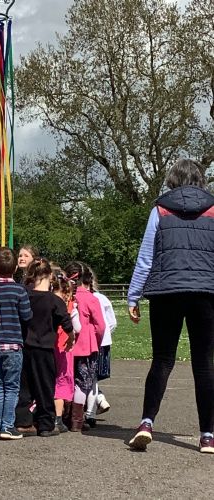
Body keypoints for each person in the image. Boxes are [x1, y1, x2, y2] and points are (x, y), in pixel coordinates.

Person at [127, 159, 214, 454]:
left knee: (162, 359)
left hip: (166, 291)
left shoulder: (160, 210)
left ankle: (146, 423)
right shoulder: (213, 210)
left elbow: (145, 258)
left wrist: (133, 296)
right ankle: (207, 435)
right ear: (201, 180)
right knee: (204, 363)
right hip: (206, 293)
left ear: (172, 180)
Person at [17, 258, 73, 437]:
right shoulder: (54, 300)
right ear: (50, 275)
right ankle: (46, 424)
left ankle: (23, 421)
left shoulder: (25, 296)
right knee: (45, 387)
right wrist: (71, 337)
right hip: (45, 348)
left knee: (24, 387)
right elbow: (66, 322)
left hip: (25, 346)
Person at [0, 247, 32, 439]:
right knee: (12, 387)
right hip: (13, 344)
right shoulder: (19, 290)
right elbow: (27, 316)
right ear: (14, 268)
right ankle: (7, 425)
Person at [64, 261, 105, 432]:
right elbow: (101, 326)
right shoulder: (91, 298)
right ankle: (77, 420)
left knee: (65, 381)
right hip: (86, 347)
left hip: (65, 346)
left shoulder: (63, 296)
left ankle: (64, 416)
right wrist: (95, 339)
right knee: (82, 383)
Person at [85, 269, 117, 426]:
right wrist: (105, 335)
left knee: (88, 377)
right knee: (93, 377)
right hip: (103, 343)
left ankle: (91, 410)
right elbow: (112, 323)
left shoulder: (89, 298)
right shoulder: (102, 298)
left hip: (92, 342)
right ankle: (98, 399)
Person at [51, 266, 80, 433]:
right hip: (64, 348)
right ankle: (58, 418)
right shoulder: (70, 306)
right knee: (61, 382)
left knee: (49, 380)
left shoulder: (47, 302)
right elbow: (78, 327)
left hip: (48, 346)